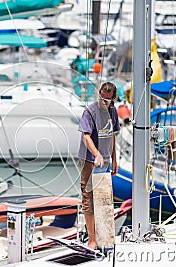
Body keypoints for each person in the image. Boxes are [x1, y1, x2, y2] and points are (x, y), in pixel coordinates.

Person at [77, 81, 120, 250]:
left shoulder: (113, 111)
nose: (104, 102)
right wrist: (97, 154)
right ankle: (92, 240)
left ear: (113, 99)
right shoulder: (90, 112)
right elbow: (86, 137)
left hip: (106, 161)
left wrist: (114, 159)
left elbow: (112, 135)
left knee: (104, 198)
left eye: (107, 100)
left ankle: (104, 235)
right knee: (88, 198)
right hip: (89, 160)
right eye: (102, 98)